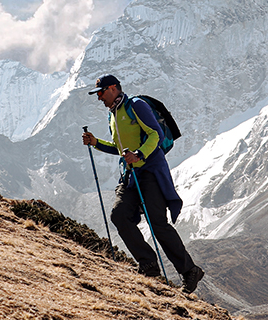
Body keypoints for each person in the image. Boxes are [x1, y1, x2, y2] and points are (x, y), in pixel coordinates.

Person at [82, 74, 205, 293]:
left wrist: (139, 155)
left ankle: (190, 271)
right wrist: (96, 143)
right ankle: (148, 264)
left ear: (113, 88)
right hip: (130, 176)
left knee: (157, 223)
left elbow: (155, 135)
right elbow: (120, 149)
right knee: (119, 215)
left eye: (100, 92)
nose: (99, 98)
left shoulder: (136, 106)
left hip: (151, 172)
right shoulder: (113, 115)